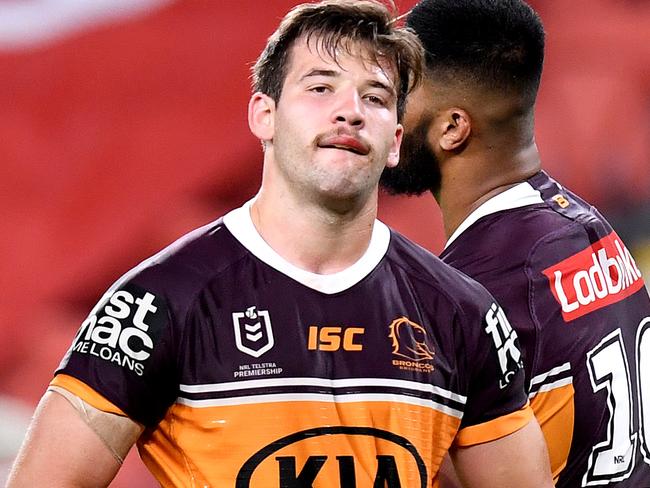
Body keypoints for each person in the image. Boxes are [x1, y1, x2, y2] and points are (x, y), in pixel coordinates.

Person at [7, 1, 554, 487]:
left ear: (394, 142)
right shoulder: (159, 302)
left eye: (376, 96)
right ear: (264, 116)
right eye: (320, 87)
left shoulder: (462, 312)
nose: (350, 111)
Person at [381, 0, 650, 486]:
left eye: (401, 93)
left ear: (452, 128)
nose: (383, 115)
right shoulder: (594, 233)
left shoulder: (475, 291)